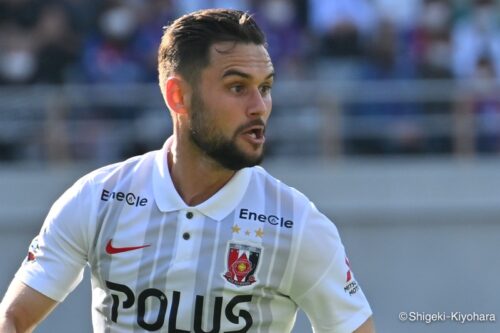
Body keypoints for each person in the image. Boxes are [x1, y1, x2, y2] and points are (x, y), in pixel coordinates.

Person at [0, 8, 375, 333]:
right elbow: (13, 319)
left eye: (266, 87)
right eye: (237, 87)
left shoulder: (297, 224)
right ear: (178, 96)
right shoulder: (98, 198)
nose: (259, 106)